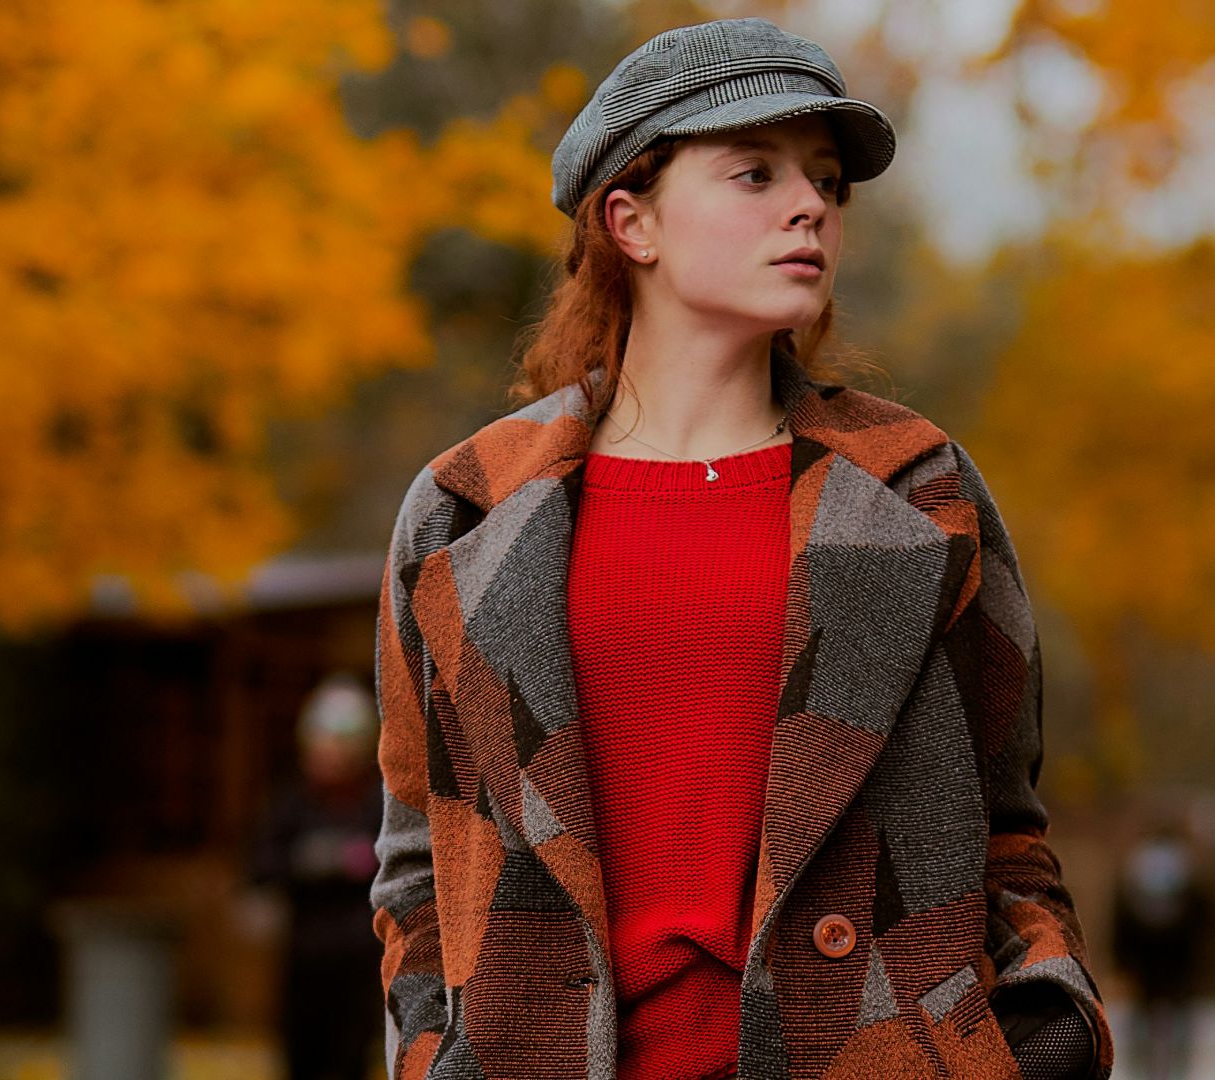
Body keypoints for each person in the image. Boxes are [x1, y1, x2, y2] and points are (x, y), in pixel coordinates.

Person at [367, 16, 1114, 1080]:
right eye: (753, 173)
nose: (808, 204)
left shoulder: (913, 489)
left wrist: (1047, 1037)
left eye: (824, 181)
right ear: (632, 221)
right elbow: (415, 862)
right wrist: (433, 1054)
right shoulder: (468, 510)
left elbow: (1010, 838)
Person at [245, 672, 386, 1080]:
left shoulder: (375, 806)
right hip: (304, 961)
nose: (328, 756)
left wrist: (353, 863)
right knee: (301, 1057)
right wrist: (308, 863)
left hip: (359, 961)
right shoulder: (291, 805)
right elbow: (259, 868)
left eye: (340, 745)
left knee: (350, 1059)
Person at [1109, 813, 1214, 1080]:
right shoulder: (1188, 865)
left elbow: (1121, 916)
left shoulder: (1135, 865)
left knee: (1142, 1015)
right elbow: (1204, 914)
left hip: (1144, 955)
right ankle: (1177, 1071)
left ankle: (1143, 1071)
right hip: (1179, 955)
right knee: (1179, 1016)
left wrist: (1121, 958)